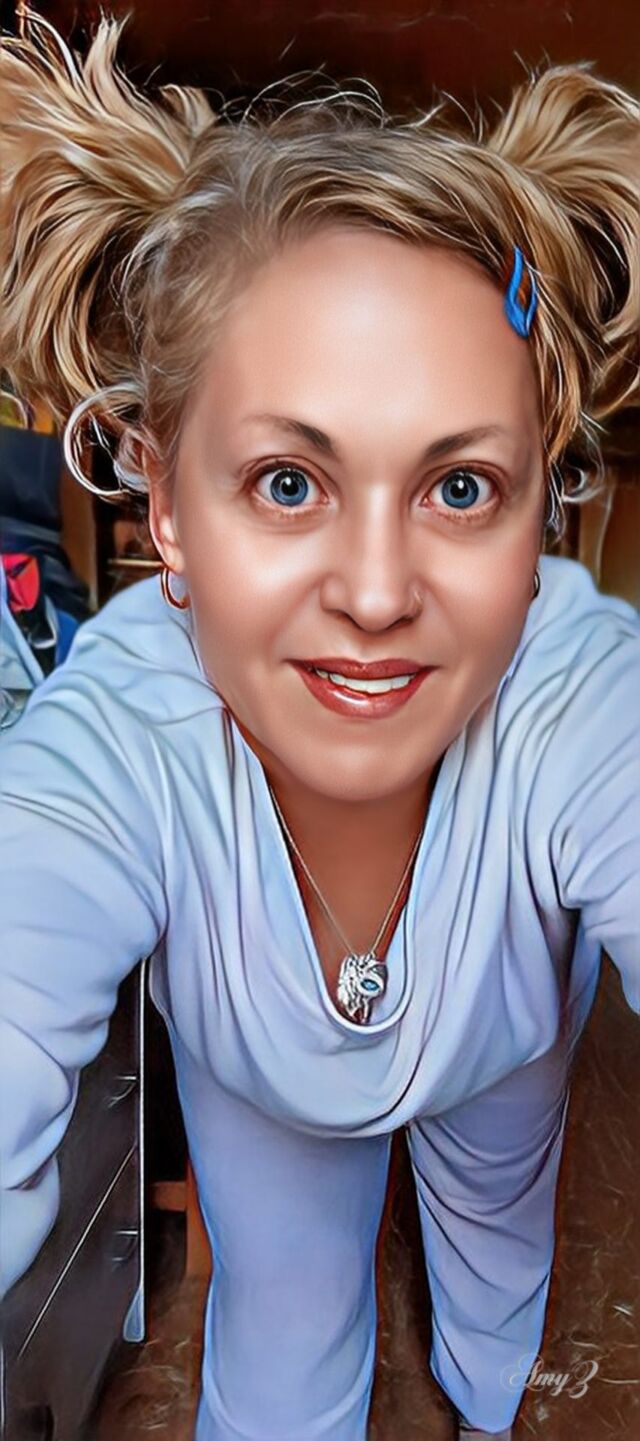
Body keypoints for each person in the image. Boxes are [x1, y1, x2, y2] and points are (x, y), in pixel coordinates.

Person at [1, 12, 638, 1440]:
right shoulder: (118, 738)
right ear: (166, 503)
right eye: (289, 483)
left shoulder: (581, 695)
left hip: (504, 1048)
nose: (375, 592)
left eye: (461, 488)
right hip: (264, 1083)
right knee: (286, 1332)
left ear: (542, 511)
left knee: (499, 1269)